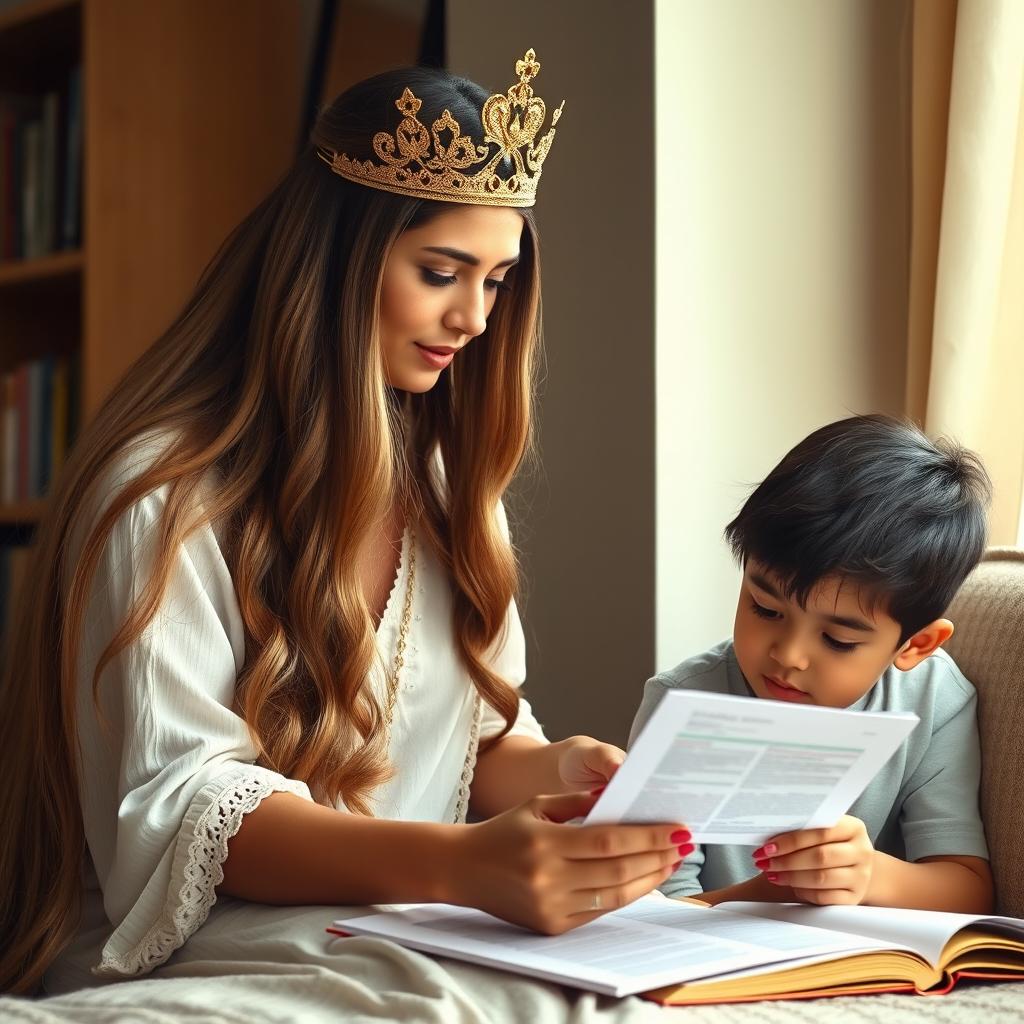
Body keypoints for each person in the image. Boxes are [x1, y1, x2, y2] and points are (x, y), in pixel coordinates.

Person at [0, 51, 689, 996]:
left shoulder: (448, 490)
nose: (474, 319)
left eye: (496, 281)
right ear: (337, 261)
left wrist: (565, 770)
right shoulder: (164, 495)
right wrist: (464, 867)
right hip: (199, 942)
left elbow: (472, 748)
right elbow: (189, 810)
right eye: (442, 271)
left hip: (399, 919)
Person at [630, 414, 994, 913]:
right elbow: (654, 909)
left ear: (915, 645)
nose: (788, 655)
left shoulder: (935, 702)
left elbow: (968, 888)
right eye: (765, 608)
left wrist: (870, 876)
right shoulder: (683, 701)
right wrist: (768, 894)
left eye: (839, 639)